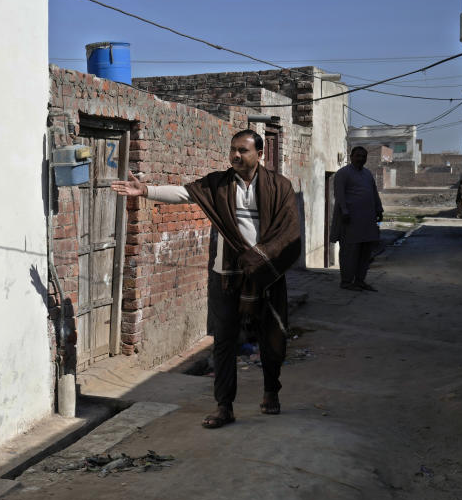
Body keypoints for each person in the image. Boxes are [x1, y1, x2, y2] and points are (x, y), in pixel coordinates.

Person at [111, 130, 301, 429]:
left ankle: (270, 393)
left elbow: (290, 231)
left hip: (266, 274)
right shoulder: (218, 184)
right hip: (225, 275)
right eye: (233, 150)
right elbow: (185, 193)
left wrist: (261, 259)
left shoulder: (280, 186)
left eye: (243, 150)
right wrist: (145, 191)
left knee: (271, 336)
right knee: (224, 341)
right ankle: (224, 406)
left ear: (259, 154)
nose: (236, 155)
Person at [330, 146, 384, 292]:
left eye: (363, 156)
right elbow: (339, 195)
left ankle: (360, 280)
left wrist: (379, 209)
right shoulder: (343, 173)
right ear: (351, 156)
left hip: (367, 220)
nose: (361, 158)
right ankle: (346, 282)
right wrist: (345, 212)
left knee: (365, 252)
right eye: (358, 156)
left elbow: (374, 193)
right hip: (350, 221)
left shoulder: (367, 174)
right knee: (349, 252)